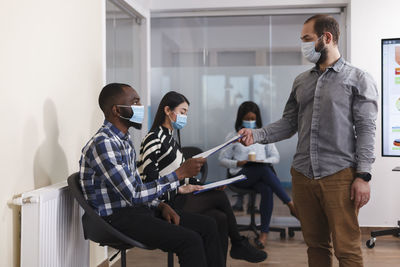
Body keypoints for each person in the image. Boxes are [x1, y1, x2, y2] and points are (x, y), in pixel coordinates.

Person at [239, 15, 378, 267]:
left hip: (340, 176)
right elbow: (289, 123)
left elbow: (367, 130)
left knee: (346, 250)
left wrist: (363, 176)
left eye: (306, 39)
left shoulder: (358, 78)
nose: (302, 45)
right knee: (315, 246)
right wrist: (256, 135)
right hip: (302, 175)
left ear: (327, 38)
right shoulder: (301, 81)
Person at [79, 83, 225, 267]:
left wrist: (160, 205)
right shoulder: (103, 143)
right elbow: (133, 194)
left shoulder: (124, 140)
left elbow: (136, 187)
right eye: (135, 102)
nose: (141, 107)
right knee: (190, 240)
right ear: (116, 110)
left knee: (208, 226)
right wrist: (178, 174)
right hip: (115, 219)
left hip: (135, 210)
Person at [137, 91, 267, 264]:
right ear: (168, 110)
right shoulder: (154, 138)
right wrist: (180, 187)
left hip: (179, 194)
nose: (185, 117)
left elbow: (183, 177)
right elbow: (149, 181)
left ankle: (233, 249)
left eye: (186, 113)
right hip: (166, 202)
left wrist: (204, 186)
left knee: (220, 218)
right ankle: (238, 243)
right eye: (182, 112)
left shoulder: (170, 139)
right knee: (219, 198)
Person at [219, 101, 296, 249]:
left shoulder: (263, 136)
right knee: (263, 170)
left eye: (252, 118)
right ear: (240, 118)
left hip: (259, 175)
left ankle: (264, 234)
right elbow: (222, 160)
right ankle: (290, 204)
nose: (249, 122)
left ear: (257, 118)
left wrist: (263, 160)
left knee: (266, 186)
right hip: (240, 176)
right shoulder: (233, 136)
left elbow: (276, 157)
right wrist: (239, 163)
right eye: (246, 119)